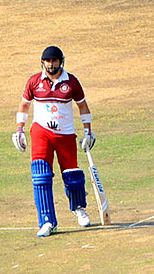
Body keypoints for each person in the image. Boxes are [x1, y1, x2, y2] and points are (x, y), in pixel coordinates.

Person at [12, 46, 96, 237]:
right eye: (48, 61)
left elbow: (82, 105)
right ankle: (47, 221)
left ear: (61, 62)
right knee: (41, 176)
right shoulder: (34, 81)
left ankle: (78, 208)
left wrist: (88, 132)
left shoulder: (71, 82)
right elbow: (24, 105)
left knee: (72, 175)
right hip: (41, 133)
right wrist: (19, 129)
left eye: (55, 61)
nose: (51, 65)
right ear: (43, 62)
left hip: (65, 134)